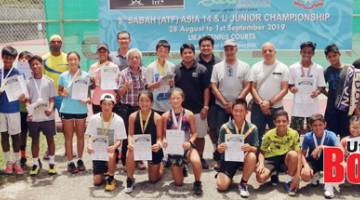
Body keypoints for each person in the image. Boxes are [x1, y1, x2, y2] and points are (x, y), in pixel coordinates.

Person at [211, 39, 251, 168]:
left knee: (238, 132)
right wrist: (225, 103)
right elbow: (214, 86)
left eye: (231, 48)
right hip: (221, 106)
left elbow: (247, 86)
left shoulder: (245, 66)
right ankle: (221, 160)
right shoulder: (217, 67)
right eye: (226, 49)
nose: (229, 51)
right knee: (221, 133)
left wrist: (236, 104)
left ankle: (238, 160)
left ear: (236, 49)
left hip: (238, 108)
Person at [174, 43, 210, 170]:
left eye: (190, 52)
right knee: (182, 136)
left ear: (193, 53)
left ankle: (200, 156)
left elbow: (206, 89)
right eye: (185, 53)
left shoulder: (202, 69)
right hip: (181, 111)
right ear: (181, 55)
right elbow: (174, 90)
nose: (187, 55)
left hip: (198, 110)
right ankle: (182, 157)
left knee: (199, 136)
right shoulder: (176, 69)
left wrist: (205, 107)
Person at [162, 88, 203, 195]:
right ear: (169, 100)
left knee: (196, 161)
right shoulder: (165, 116)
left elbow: (194, 133)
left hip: (186, 147)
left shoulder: (189, 114)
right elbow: (162, 135)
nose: (175, 101)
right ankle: (181, 167)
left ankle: (198, 182)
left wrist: (190, 142)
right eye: (173, 98)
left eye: (178, 98)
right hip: (173, 150)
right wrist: (165, 141)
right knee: (178, 183)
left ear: (183, 99)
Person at [216, 98, 258, 198]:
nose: (238, 113)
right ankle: (226, 177)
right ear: (232, 111)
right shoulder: (225, 127)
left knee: (252, 156)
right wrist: (220, 148)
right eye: (236, 110)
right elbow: (218, 148)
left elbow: (256, 148)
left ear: (246, 112)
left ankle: (243, 183)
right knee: (222, 187)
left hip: (244, 158)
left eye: (241, 111)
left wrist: (250, 148)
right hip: (229, 159)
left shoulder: (253, 128)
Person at [124, 91, 164, 193]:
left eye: (147, 101)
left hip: (152, 149)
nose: (144, 103)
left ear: (151, 102)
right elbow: (130, 135)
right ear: (138, 102)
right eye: (141, 100)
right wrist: (130, 142)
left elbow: (160, 137)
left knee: (153, 180)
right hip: (138, 148)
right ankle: (130, 179)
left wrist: (158, 144)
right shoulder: (132, 116)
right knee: (130, 151)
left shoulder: (157, 118)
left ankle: (162, 165)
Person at [86, 93, 127, 191]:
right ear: (100, 105)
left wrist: (114, 147)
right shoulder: (94, 119)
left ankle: (111, 178)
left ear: (113, 105)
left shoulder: (118, 120)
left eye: (109, 104)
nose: (106, 107)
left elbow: (119, 140)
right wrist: (89, 145)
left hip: (111, 149)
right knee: (97, 182)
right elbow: (90, 136)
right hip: (98, 151)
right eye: (104, 104)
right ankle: (104, 170)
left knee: (111, 154)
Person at [249, 42, 289, 142]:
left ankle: (276, 157)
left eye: (270, 50)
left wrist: (270, 103)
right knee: (256, 135)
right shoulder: (255, 67)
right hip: (258, 107)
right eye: (265, 51)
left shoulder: (283, 68)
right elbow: (252, 88)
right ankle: (257, 156)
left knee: (278, 135)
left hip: (276, 108)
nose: (267, 53)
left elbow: (284, 89)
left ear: (275, 52)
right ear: (262, 53)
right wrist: (262, 103)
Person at [256, 110, 301, 196]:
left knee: (293, 154)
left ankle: (289, 180)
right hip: (271, 159)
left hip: (285, 159)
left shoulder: (294, 133)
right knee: (260, 178)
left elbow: (299, 153)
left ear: (288, 122)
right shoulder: (269, 134)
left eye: (284, 121)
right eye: (278, 121)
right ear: (274, 122)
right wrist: (261, 164)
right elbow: (262, 152)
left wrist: (297, 175)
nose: (281, 123)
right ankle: (274, 173)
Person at [26, 55, 57, 176]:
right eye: (33, 65)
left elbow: (52, 99)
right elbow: (27, 100)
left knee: (50, 139)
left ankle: (52, 163)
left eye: (37, 64)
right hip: (34, 117)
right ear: (30, 68)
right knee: (35, 140)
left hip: (47, 116)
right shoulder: (28, 82)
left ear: (42, 65)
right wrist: (29, 111)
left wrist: (50, 109)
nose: (35, 66)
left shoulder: (49, 81)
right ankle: (35, 164)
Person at [58, 52, 89, 174]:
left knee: (80, 136)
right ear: (67, 61)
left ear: (79, 61)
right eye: (70, 59)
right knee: (69, 137)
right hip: (67, 109)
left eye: (75, 59)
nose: (72, 62)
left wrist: (87, 99)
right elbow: (59, 91)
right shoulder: (63, 76)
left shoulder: (85, 75)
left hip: (81, 109)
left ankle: (80, 159)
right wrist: (62, 93)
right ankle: (70, 162)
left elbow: (89, 95)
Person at [289, 41, 326, 135]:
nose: (306, 54)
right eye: (304, 52)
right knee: (295, 134)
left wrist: (317, 92)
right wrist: (292, 89)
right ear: (300, 52)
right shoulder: (293, 68)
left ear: (313, 53)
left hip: (313, 108)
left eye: (309, 52)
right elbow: (290, 85)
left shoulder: (318, 68)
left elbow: (321, 86)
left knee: (314, 133)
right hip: (297, 108)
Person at [196, 35, 221, 169]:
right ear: (200, 47)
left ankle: (217, 150)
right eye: (203, 46)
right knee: (198, 132)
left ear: (212, 47)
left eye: (208, 45)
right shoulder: (194, 61)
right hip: (196, 103)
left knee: (213, 128)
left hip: (214, 101)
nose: (206, 48)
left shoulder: (218, 62)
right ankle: (196, 156)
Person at [300, 114, 340, 199]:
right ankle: (315, 174)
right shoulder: (308, 136)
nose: (318, 128)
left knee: (333, 155)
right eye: (315, 125)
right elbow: (302, 154)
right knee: (305, 175)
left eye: (320, 125)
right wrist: (306, 166)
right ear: (310, 126)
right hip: (314, 160)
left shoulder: (331, 135)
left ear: (325, 125)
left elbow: (340, 150)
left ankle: (329, 186)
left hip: (327, 161)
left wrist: (321, 147)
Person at [118, 48, 146, 168]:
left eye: (137, 57)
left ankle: (139, 160)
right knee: (127, 134)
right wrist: (125, 87)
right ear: (128, 60)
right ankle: (125, 160)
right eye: (131, 58)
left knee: (140, 133)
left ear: (140, 59)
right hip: (127, 107)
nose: (134, 60)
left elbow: (149, 89)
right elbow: (119, 93)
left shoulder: (145, 72)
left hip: (141, 108)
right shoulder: (123, 73)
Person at [0, 46, 24, 174]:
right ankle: (8, 162)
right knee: (3, 136)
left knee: (16, 137)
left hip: (14, 110)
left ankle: (17, 162)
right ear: (2, 57)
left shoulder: (18, 74)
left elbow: (23, 95)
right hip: (1, 111)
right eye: (5, 57)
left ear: (14, 59)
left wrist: (22, 96)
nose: (7, 60)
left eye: (10, 58)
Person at [323, 44, 352, 138]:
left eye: (334, 55)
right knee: (331, 135)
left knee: (346, 136)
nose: (332, 58)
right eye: (329, 57)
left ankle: (345, 153)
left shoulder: (349, 69)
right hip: (331, 109)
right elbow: (321, 88)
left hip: (346, 109)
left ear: (339, 54)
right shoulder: (327, 71)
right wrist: (331, 95)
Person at [145, 40, 175, 115]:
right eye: (160, 51)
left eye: (165, 51)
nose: (163, 53)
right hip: (155, 104)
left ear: (168, 53)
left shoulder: (172, 66)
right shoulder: (150, 67)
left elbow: (173, 87)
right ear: (156, 52)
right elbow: (148, 87)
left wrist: (172, 84)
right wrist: (153, 85)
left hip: (168, 103)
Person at [89, 43, 120, 114]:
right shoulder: (93, 67)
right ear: (97, 53)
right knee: (98, 122)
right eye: (100, 52)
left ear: (108, 53)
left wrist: (117, 81)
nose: (102, 53)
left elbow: (118, 85)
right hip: (97, 100)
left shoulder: (114, 67)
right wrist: (93, 82)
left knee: (111, 123)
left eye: (104, 51)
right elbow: (91, 86)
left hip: (111, 100)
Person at [42, 34, 68, 113]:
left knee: (65, 120)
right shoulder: (43, 59)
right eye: (53, 42)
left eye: (58, 42)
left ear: (61, 44)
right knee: (49, 120)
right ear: (50, 44)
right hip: (49, 95)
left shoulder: (67, 57)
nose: (56, 43)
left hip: (63, 95)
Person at [17, 51, 33, 167]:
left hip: (34, 109)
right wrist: (20, 97)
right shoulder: (16, 76)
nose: (24, 61)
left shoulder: (35, 75)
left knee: (35, 133)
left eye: (27, 59)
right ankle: (22, 155)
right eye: (21, 58)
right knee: (22, 132)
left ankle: (36, 157)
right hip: (22, 109)